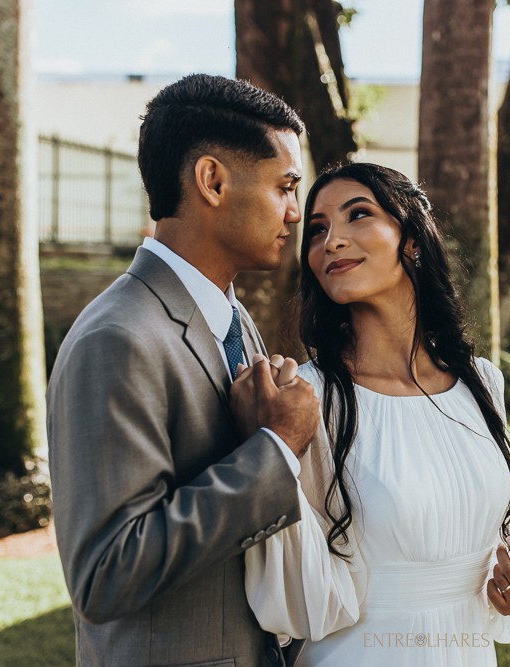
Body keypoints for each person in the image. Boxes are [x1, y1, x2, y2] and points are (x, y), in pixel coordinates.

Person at [47, 73, 319, 667]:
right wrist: (275, 449)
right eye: (286, 187)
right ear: (213, 181)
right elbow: (105, 575)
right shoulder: (116, 339)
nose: (296, 213)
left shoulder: (233, 318)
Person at [241, 162, 510, 666]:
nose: (332, 241)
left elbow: (485, 538)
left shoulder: (482, 383)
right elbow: (292, 597)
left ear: (412, 242)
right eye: (317, 230)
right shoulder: (307, 399)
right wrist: (269, 447)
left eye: (357, 214)